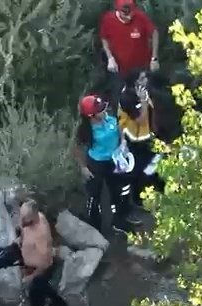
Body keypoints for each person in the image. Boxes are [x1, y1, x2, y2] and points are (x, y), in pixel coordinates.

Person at [72, 94, 138, 234]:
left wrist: (123, 141)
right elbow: (76, 148)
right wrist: (83, 167)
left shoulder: (108, 119)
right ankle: (95, 228)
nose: (105, 111)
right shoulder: (86, 130)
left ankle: (119, 221)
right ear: (91, 116)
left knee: (118, 192)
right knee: (94, 197)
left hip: (113, 161)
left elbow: (118, 127)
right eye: (101, 110)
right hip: (96, 164)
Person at [15, 200, 68, 306]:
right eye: (22, 216)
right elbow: (23, 233)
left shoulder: (41, 233)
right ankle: (60, 305)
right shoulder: (31, 219)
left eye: (25, 218)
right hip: (30, 265)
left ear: (34, 217)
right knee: (45, 288)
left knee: (36, 298)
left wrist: (31, 277)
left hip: (41, 269)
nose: (22, 221)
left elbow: (44, 263)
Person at [118, 75, 166, 208]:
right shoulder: (127, 98)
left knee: (155, 161)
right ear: (135, 83)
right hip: (137, 141)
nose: (146, 80)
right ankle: (137, 198)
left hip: (149, 136)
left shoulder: (143, 91)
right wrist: (144, 100)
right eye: (142, 78)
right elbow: (140, 119)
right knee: (138, 170)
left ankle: (159, 187)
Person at [99, 0, 159, 101]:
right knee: (119, 97)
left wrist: (154, 58)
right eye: (125, 13)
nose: (129, 16)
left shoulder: (140, 17)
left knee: (144, 96)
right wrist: (110, 57)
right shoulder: (108, 19)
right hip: (119, 70)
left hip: (140, 70)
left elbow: (154, 33)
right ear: (117, 10)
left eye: (131, 12)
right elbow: (104, 38)